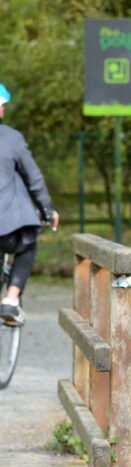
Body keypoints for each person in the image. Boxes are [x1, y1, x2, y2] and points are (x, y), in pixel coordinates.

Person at [0, 83, 59, 325]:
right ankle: (11, 300)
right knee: (27, 246)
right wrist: (47, 210)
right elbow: (33, 178)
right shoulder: (11, 138)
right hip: (8, 225)